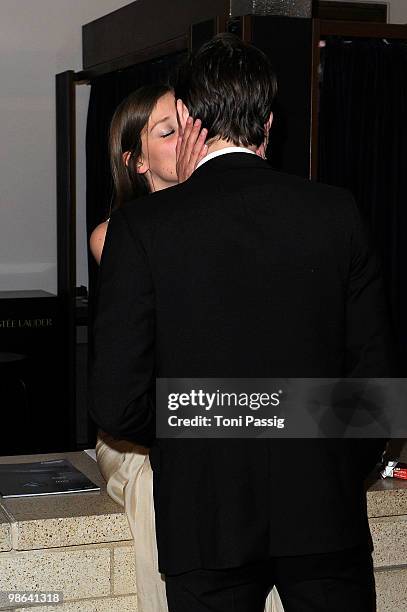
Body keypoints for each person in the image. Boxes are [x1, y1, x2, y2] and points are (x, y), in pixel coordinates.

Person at [88, 33, 395, 612]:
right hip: (324, 513)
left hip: (207, 515)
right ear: (270, 122)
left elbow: (116, 404)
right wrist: (326, 461)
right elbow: (374, 383)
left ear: (188, 117)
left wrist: (208, 427)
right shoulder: (337, 213)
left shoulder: (143, 229)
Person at [89, 84, 278, 612]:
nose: (190, 137)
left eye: (193, 124)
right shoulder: (116, 234)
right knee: (161, 491)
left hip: (226, 417)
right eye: (169, 132)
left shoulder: (235, 219)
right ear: (137, 162)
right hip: (143, 432)